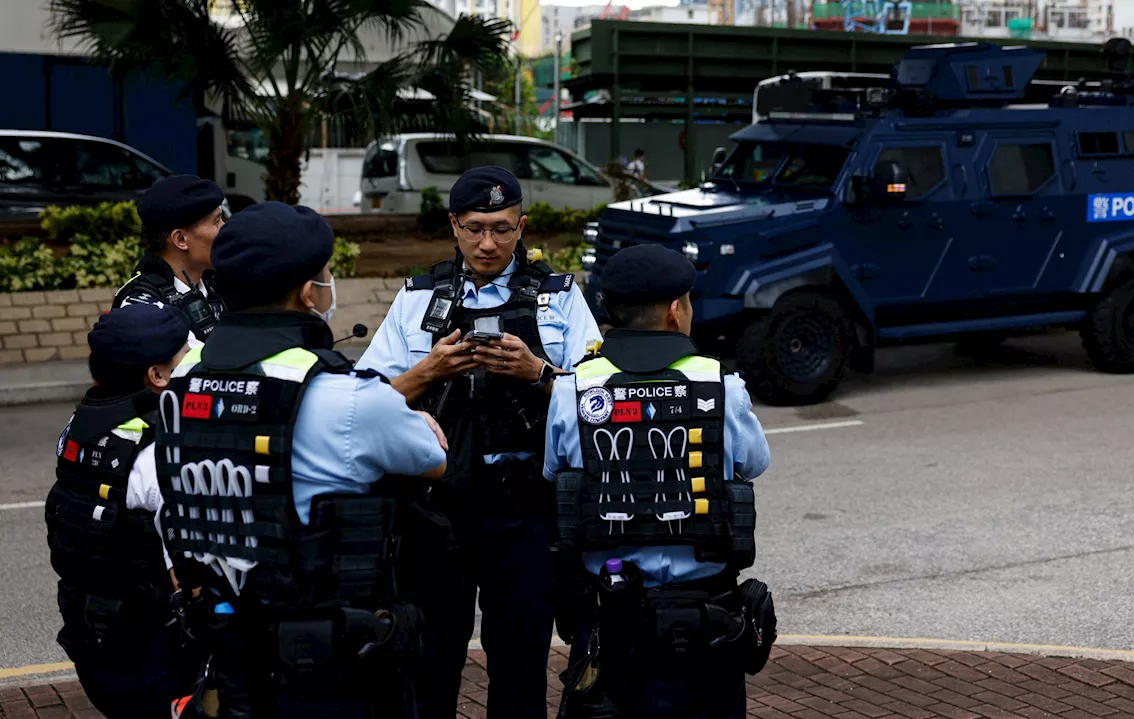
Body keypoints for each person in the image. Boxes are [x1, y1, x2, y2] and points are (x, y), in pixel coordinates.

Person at [157, 202, 449, 718]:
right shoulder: (347, 397)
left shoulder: (185, 376)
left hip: (225, 640)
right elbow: (432, 462)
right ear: (307, 292)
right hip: (327, 654)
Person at [358, 166, 603, 719]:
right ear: (453, 226)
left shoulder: (560, 298)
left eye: (501, 228)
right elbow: (368, 403)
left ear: (522, 225)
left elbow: (600, 402)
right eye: (474, 228)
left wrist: (539, 372)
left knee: (520, 661)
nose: (487, 243)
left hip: (528, 509)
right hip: (439, 508)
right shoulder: (418, 297)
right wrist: (430, 369)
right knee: (431, 661)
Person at [543, 244, 778, 719]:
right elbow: (754, 463)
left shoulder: (573, 388)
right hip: (706, 616)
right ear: (676, 311)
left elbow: (555, 470)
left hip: (610, 619)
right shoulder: (720, 385)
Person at [46, 303, 203, 719]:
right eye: (187, 352)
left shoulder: (81, 424)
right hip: (153, 648)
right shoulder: (158, 450)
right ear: (158, 376)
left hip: (92, 632)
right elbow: (187, 572)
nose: (197, 355)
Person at [114, 174, 229, 344]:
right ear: (181, 239)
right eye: (216, 221)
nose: (225, 228)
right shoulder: (145, 312)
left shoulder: (217, 283)